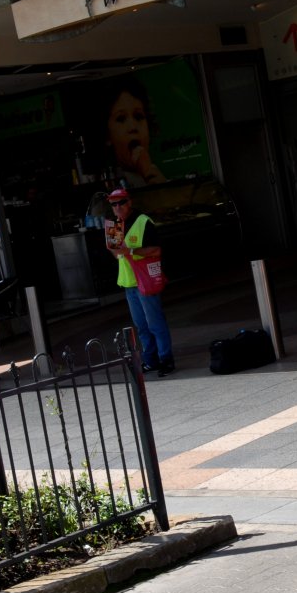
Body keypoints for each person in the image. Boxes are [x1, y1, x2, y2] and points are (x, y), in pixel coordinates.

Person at [104, 188, 175, 376]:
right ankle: (151, 361)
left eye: (120, 202)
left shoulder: (143, 221)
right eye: (113, 204)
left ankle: (166, 360)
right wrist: (114, 247)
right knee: (142, 326)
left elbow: (156, 250)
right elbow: (115, 253)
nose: (117, 207)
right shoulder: (114, 224)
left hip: (146, 281)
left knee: (155, 323)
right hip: (128, 282)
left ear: (129, 202)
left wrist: (131, 251)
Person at [103, 80, 167, 187]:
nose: (133, 127)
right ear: (107, 135)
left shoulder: (159, 176)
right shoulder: (113, 185)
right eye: (121, 119)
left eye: (138, 116)